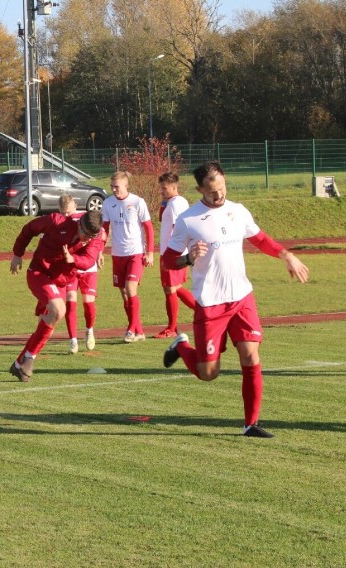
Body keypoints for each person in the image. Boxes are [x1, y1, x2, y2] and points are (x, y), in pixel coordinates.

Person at [162, 162, 309, 438]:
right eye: (212, 191)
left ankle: (250, 424)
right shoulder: (189, 219)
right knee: (208, 373)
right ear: (199, 190)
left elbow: (261, 239)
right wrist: (188, 258)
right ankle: (181, 345)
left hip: (242, 298)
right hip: (211, 304)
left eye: (222, 188)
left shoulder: (238, 211)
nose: (219, 195)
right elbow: (167, 261)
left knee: (251, 356)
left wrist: (287, 255)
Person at [9, 209, 104, 381]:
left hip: (60, 281)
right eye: (85, 234)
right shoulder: (56, 221)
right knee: (59, 310)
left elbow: (89, 260)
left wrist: (73, 260)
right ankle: (29, 358)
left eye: (92, 237)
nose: (87, 239)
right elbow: (29, 228)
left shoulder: (96, 236)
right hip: (39, 273)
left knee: (47, 325)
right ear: (79, 224)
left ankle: (19, 364)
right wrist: (17, 253)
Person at [101, 170, 154, 342]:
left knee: (131, 289)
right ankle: (139, 330)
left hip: (135, 252)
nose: (114, 189)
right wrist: (100, 251)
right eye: (112, 186)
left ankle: (131, 330)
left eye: (116, 186)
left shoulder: (138, 202)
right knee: (124, 293)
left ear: (126, 186)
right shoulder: (108, 203)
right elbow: (104, 229)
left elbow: (148, 228)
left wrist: (150, 252)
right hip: (118, 253)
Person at [58, 194, 105, 353]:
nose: (66, 216)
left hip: (88, 267)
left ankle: (89, 330)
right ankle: (73, 340)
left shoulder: (85, 219)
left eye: (68, 212)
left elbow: (102, 234)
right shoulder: (61, 223)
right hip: (71, 268)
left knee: (88, 302)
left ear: (74, 205)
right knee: (71, 301)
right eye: (63, 213)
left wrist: (99, 252)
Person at [154, 171, 197, 339]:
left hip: (173, 253)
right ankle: (204, 312)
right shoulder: (172, 202)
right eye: (161, 188)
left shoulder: (176, 203)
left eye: (164, 188)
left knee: (170, 288)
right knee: (174, 288)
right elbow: (160, 218)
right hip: (169, 252)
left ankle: (172, 328)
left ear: (173, 187)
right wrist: (164, 201)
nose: (161, 191)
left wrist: (175, 253)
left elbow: (177, 227)